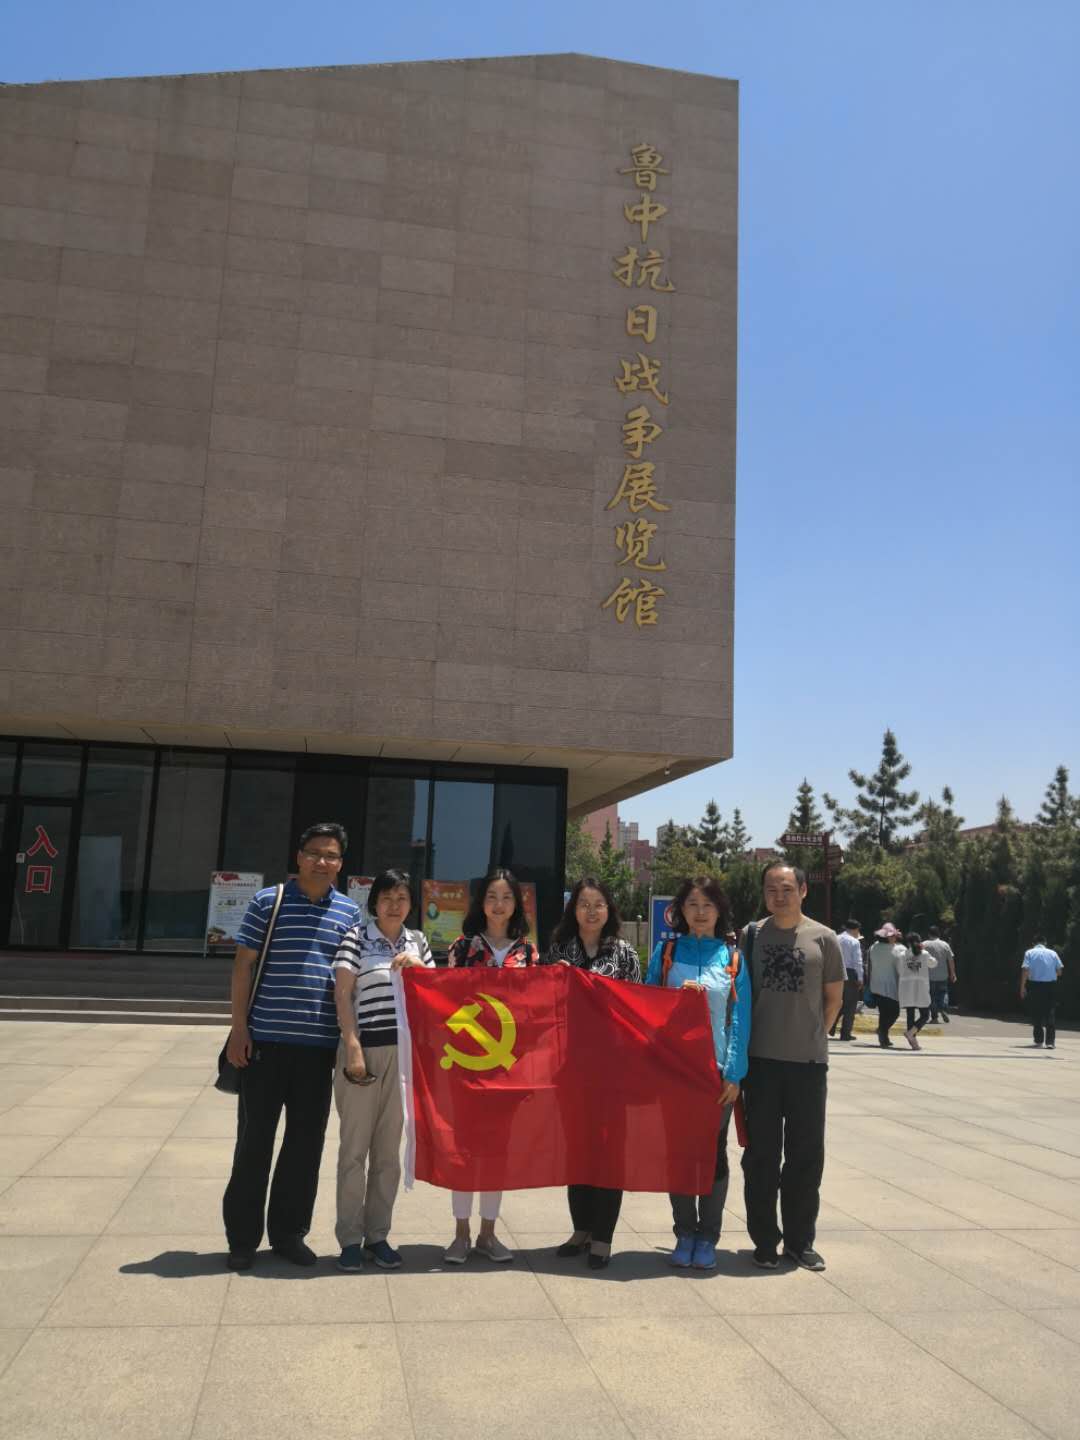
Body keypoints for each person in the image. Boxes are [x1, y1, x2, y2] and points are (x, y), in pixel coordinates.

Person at [222, 822, 361, 1271]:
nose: (323, 861)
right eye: (315, 853)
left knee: (304, 1147)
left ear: (341, 864)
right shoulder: (270, 901)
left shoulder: (349, 913)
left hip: (318, 1050)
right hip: (264, 1045)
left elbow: (349, 979)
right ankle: (242, 1240)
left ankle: (288, 1235)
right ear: (299, 857)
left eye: (332, 855)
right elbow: (243, 966)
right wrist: (239, 1029)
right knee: (254, 1144)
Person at [740, 862, 844, 1272]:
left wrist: (813, 1036)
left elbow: (833, 999)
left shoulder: (824, 938)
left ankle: (801, 1242)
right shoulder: (751, 935)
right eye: (771, 889)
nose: (778, 895)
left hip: (808, 1065)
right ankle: (765, 1240)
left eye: (786, 888)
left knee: (805, 1156)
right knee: (761, 1157)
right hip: (760, 1063)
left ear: (803, 890)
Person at [645, 876, 750, 1271]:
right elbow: (647, 1006)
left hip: (715, 1074)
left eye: (708, 904)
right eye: (692, 904)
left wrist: (734, 1074)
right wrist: (677, 1000)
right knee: (677, 1153)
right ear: (681, 911)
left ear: (720, 910)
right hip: (674, 1071)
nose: (700, 912)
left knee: (712, 1152)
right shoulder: (667, 952)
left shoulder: (733, 958)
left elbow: (740, 1018)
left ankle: (708, 1236)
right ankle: (684, 1233)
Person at [331, 869, 434, 1272]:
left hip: (404, 1058)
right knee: (354, 1151)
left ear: (411, 904)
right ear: (374, 902)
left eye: (402, 897)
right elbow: (343, 994)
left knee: (389, 1153)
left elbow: (434, 995)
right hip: (364, 1052)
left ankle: (378, 1235)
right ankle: (349, 1238)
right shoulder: (356, 937)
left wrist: (419, 967)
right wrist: (352, 1046)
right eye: (387, 897)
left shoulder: (418, 941)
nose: (394, 904)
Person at [443, 867, 541, 1264]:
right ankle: (460, 1233)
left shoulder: (528, 953)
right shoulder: (463, 948)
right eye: (491, 897)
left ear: (517, 904)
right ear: (480, 903)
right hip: (468, 1063)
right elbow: (445, 1002)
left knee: (497, 1150)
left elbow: (535, 1009)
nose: (499, 905)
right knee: (464, 1148)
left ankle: (488, 1232)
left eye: (506, 897)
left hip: (508, 1068)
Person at [546, 876, 641, 1269]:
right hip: (570, 1066)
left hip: (613, 1068)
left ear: (609, 909)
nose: (591, 911)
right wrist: (555, 979)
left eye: (598, 904)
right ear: (574, 910)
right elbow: (543, 1007)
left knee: (609, 1151)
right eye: (584, 904)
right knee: (577, 1147)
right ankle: (581, 1229)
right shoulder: (558, 950)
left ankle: (603, 1236)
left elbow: (638, 1009)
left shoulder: (624, 953)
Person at [1020, 934, 1063, 1048]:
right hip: (1050, 986)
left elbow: (1025, 970)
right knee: (1050, 1012)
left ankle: (1039, 1040)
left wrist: (1022, 987)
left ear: (1033, 943)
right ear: (1045, 943)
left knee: (1036, 1012)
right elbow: (1059, 971)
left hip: (1035, 985)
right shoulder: (1053, 953)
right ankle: (1050, 1042)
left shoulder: (1029, 953)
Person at [867, 923, 904, 1048]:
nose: (895, 937)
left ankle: (884, 1038)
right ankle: (882, 1031)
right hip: (891, 986)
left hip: (876, 985)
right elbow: (901, 968)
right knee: (894, 1013)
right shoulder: (898, 949)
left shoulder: (873, 947)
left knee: (883, 1013)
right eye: (893, 935)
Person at [830, 918, 864, 1042]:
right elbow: (857, 961)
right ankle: (845, 1033)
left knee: (836, 1001)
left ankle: (830, 1025)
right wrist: (860, 978)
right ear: (856, 929)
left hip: (834, 972)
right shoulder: (854, 942)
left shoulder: (835, 938)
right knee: (850, 1005)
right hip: (849, 973)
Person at [898, 932, 933, 1050]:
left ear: (908, 943)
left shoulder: (902, 955)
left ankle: (912, 1039)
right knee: (925, 1015)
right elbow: (933, 964)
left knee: (910, 1015)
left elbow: (899, 969)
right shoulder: (925, 954)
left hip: (907, 988)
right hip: (921, 988)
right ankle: (911, 1035)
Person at [923, 926, 956, 1023]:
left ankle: (934, 1018)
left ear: (929, 934)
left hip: (929, 976)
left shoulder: (924, 944)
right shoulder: (945, 945)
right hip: (943, 975)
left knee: (931, 997)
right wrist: (953, 973)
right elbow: (950, 960)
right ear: (939, 934)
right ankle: (943, 1008)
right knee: (943, 993)